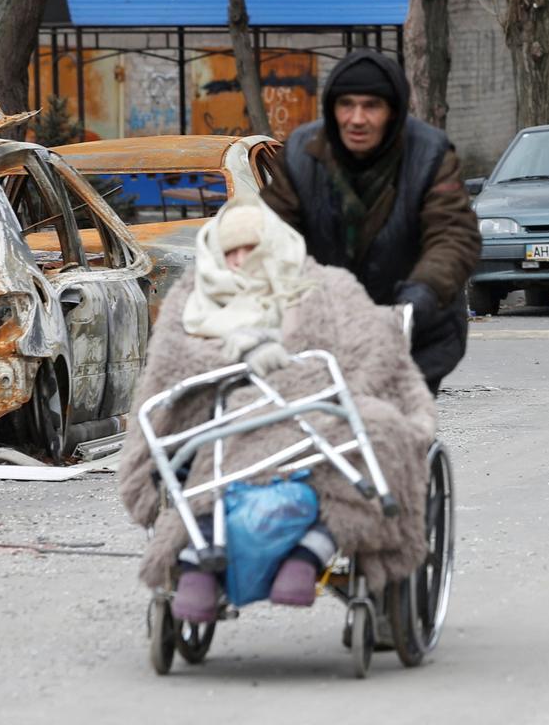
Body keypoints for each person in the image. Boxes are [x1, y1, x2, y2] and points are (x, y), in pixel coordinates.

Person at [119, 196, 437, 624]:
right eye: (230, 252)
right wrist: (237, 355)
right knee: (197, 453)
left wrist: (295, 370)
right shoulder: (190, 296)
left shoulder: (324, 287)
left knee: (375, 431)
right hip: (221, 415)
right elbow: (171, 364)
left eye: (251, 249)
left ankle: (311, 551)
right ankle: (200, 559)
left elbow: (368, 346)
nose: (239, 261)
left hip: (312, 409)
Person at [261, 50, 480, 394]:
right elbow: (272, 233)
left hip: (411, 327)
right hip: (322, 328)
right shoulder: (302, 154)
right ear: (332, 108)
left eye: (371, 106)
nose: (357, 118)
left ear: (393, 111)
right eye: (346, 104)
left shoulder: (429, 153)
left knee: (393, 430)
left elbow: (452, 235)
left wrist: (419, 297)